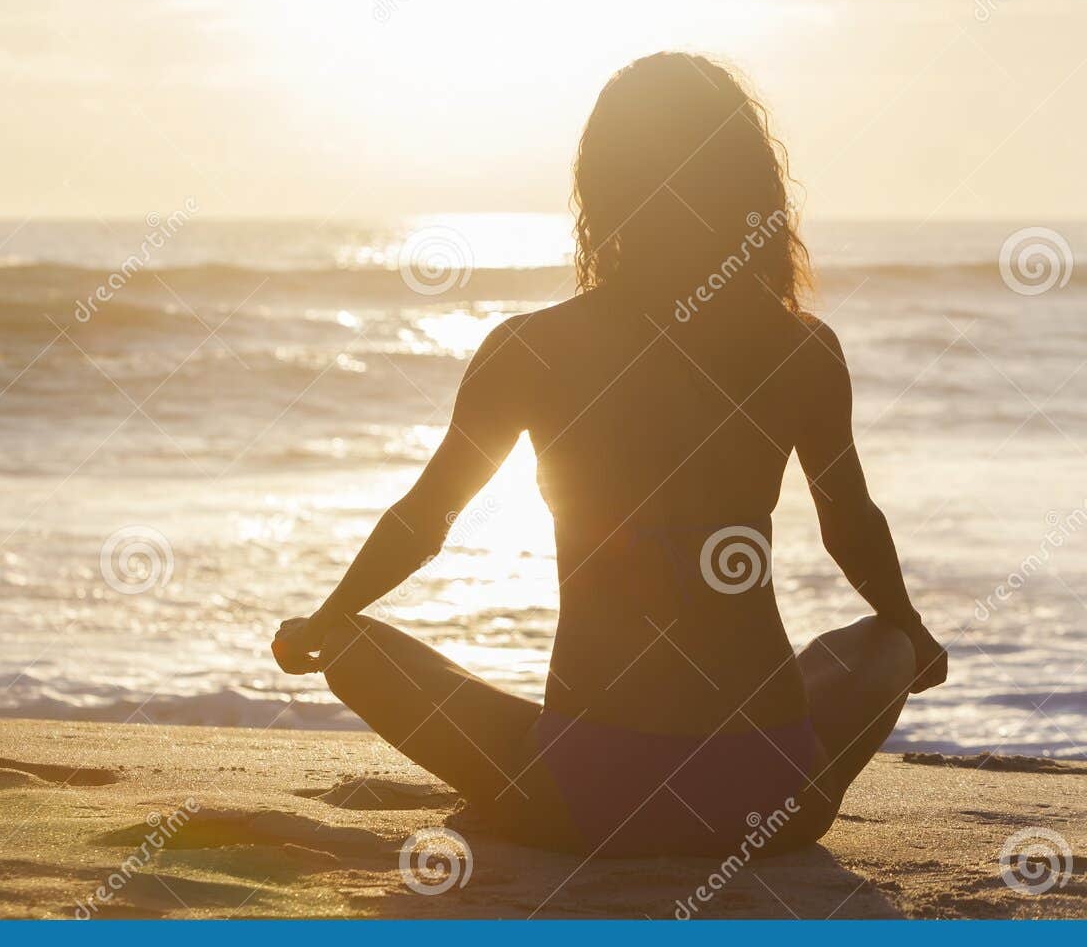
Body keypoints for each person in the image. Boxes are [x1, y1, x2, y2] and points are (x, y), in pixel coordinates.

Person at [272, 53, 948, 857]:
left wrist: (328, 617)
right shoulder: (800, 349)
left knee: (352, 645)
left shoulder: (528, 347)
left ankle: (527, 785)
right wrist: (912, 630)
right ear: (748, 189)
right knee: (882, 646)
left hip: (583, 799)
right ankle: (791, 767)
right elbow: (850, 527)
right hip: (771, 794)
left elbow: (425, 520)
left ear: (602, 189)